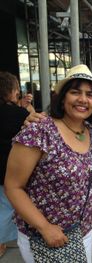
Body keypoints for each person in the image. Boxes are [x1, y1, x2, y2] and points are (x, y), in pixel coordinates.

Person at [4, 64, 92, 263]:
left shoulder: (91, 133)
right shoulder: (39, 131)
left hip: (82, 232)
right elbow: (13, 187)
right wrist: (44, 227)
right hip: (46, 237)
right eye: (75, 92)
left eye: (90, 95)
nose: (83, 99)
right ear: (62, 97)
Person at [0, 71, 31, 258]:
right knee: (14, 207)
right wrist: (26, 108)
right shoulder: (20, 114)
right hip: (13, 170)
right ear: (12, 91)